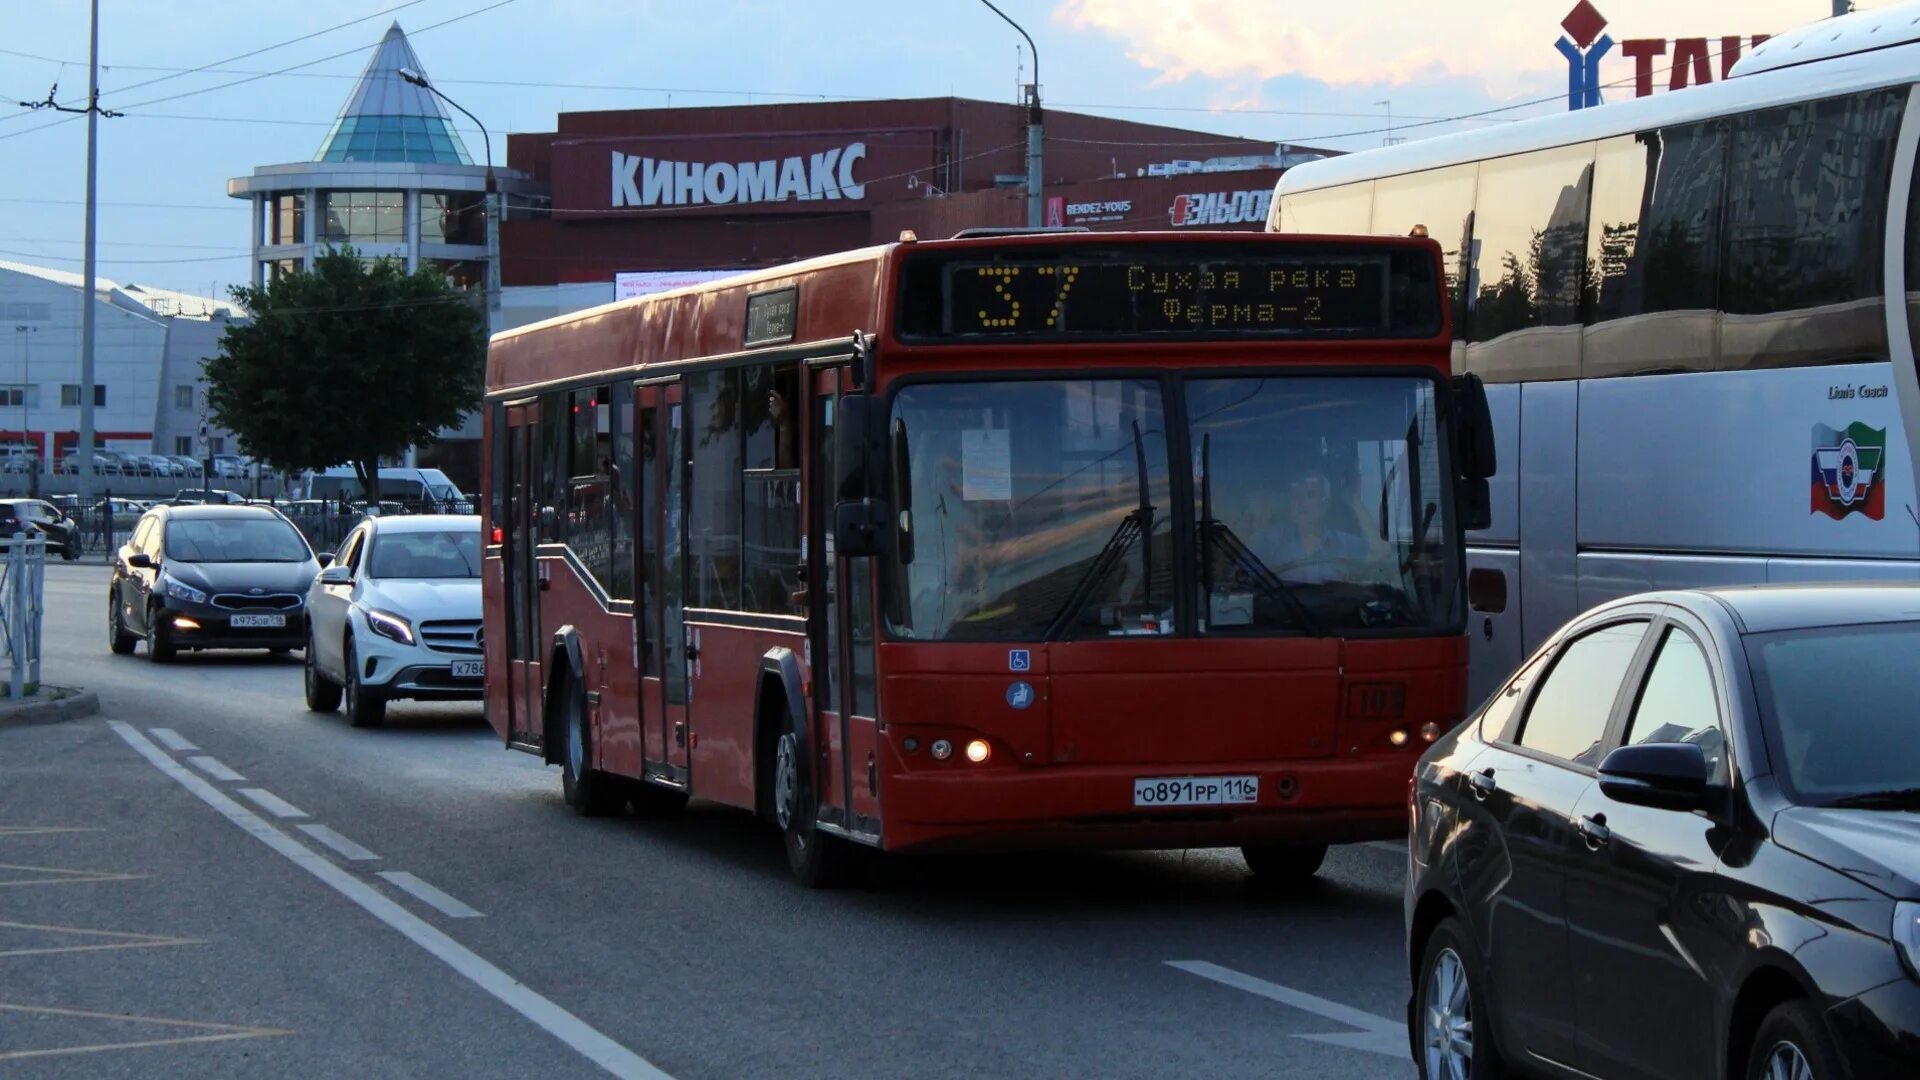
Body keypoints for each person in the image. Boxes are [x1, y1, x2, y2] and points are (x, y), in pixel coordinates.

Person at [1247, 469, 1368, 583]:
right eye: (1296, 496)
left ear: (1326, 504)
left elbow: (1381, 560)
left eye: (1311, 495)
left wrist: (1356, 502)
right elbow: (1239, 580)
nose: (1301, 502)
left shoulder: (1347, 544)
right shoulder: (1268, 541)